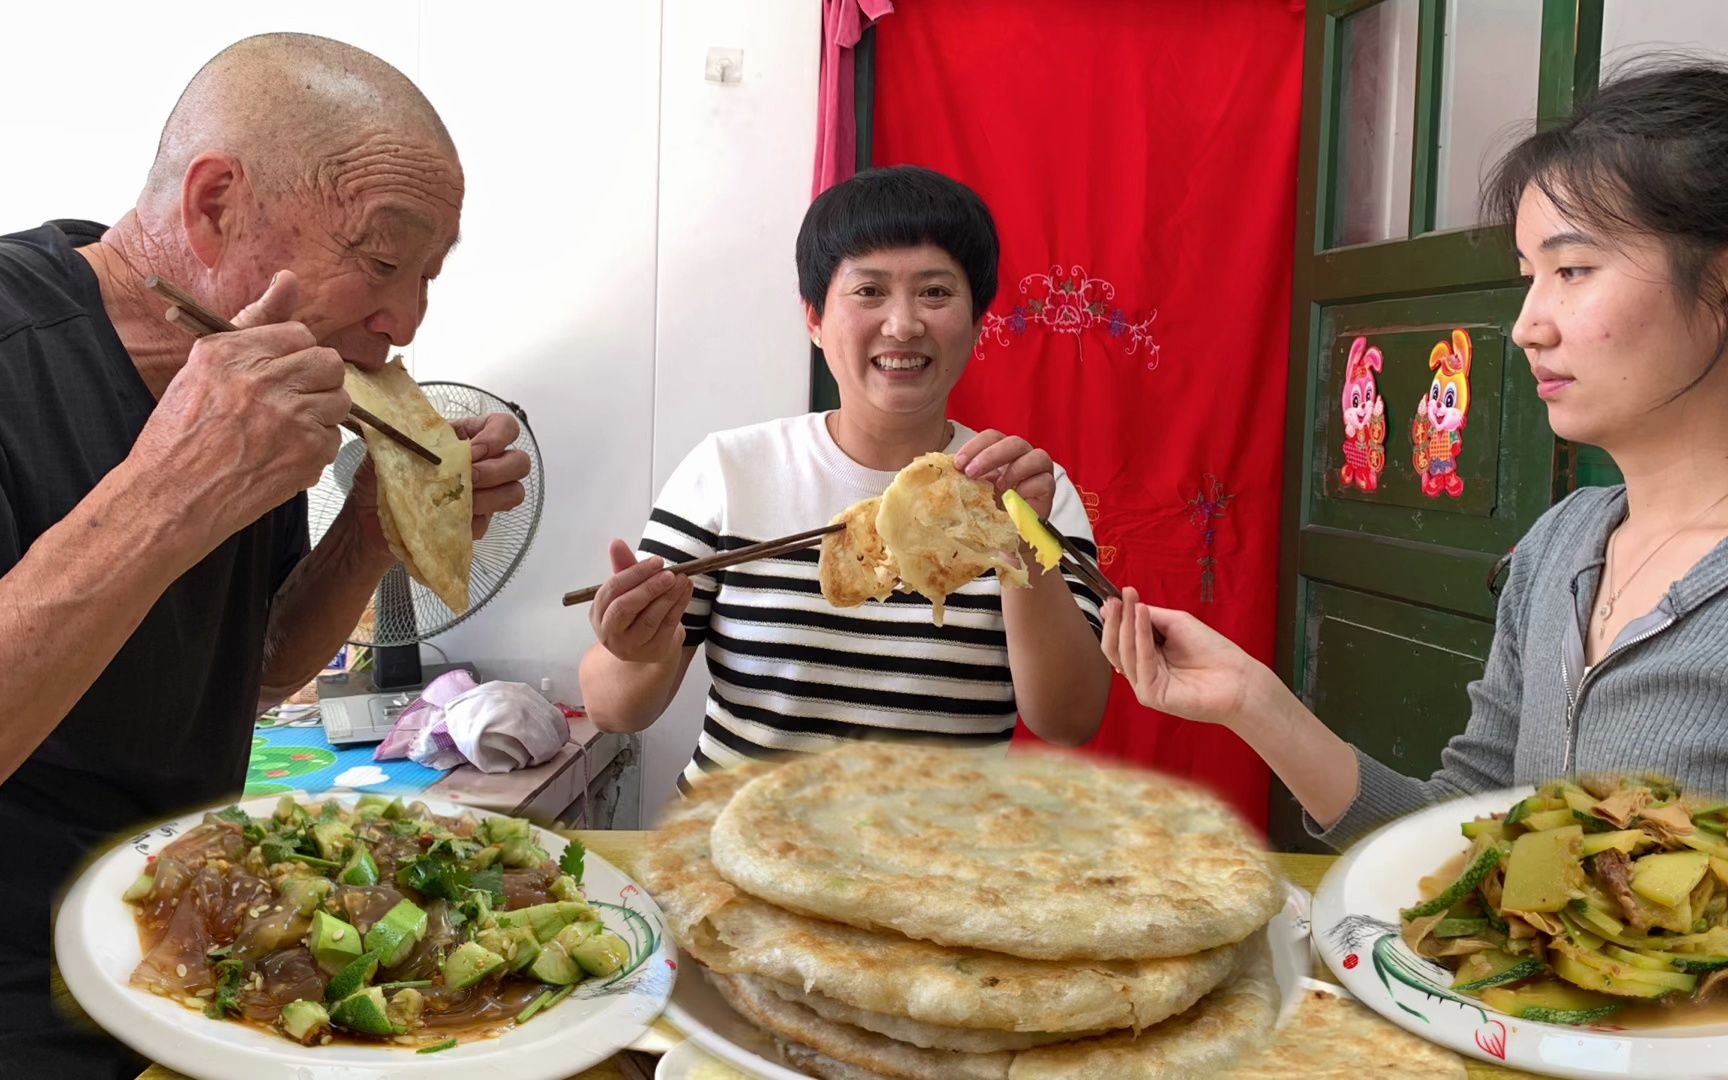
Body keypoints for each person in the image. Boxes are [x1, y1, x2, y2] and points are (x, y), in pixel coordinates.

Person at [0, 33, 530, 1074]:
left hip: (188, 959)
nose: (407, 320)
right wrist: (172, 488)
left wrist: (370, 532)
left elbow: (256, 673)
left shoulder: (249, 379)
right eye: (382, 261)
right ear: (214, 205)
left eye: (428, 276)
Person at [1102, 60, 1728, 848]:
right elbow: (1468, 835)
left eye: (1573, 270)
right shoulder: (1561, 545)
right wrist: (1252, 702)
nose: (1529, 324)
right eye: (1529, 277)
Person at [580, 166, 1111, 788]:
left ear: (977, 320)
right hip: (732, 856)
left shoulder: (1027, 493)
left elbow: (1069, 719)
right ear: (814, 317)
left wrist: (1023, 541)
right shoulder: (730, 472)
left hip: (934, 868)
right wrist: (639, 651)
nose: (904, 324)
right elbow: (613, 710)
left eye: (936, 293)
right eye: (869, 292)